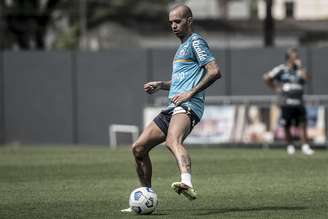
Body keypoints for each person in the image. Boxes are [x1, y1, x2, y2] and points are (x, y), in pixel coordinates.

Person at [121, 4, 221, 211]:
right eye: (171, 23)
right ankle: (146, 196)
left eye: (178, 21)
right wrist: (161, 85)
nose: (174, 26)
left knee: (172, 141)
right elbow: (179, 83)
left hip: (189, 105)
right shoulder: (182, 47)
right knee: (138, 148)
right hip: (173, 106)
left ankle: (187, 183)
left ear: (189, 21)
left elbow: (214, 71)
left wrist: (190, 93)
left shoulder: (196, 41)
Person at [263, 48, 314, 155]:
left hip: (299, 101)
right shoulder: (281, 69)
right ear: (289, 58)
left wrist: (300, 67)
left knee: (302, 123)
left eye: (297, 56)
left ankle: (305, 146)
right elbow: (267, 77)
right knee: (287, 125)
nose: (297, 58)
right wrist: (275, 88)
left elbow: (308, 78)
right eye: (295, 57)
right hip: (287, 102)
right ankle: (290, 146)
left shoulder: (300, 69)